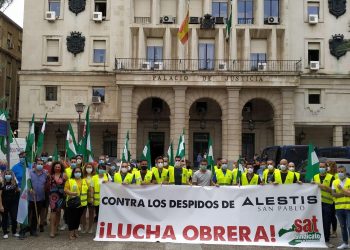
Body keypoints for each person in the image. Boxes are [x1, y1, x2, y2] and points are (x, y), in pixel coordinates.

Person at [312, 161, 335, 248]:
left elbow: (333, 191)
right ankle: (317, 239)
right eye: (320, 167)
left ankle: (326, 240)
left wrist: (322, 186)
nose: (321, 168)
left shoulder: (331, 177)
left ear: (326, 168)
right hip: (316, 204)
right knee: (316, 222)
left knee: (326, 222)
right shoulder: (315, 177)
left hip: (327, 204)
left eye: (323, 167)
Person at [64, 166, 88, 240]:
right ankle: (71, 234)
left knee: (77, 219)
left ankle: (76, 232)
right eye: (76, 172)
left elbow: (87, 190)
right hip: (72, 203)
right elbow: (65, 189)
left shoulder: (84, 181)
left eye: (79, 172)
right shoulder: (70, 180)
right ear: (73, 173)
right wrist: (71, 193)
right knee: (71, 219)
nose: (78, 173)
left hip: (81, 204)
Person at [27, 158, 48, 237]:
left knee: (36, 214)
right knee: (29, 214)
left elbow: (47, 184)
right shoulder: (30, 173)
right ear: (35, 164)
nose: (40, 165)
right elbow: (27, 183)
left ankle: (33, 230)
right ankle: (27, 228)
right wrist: (30, 189)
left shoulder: (45, 174)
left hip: (40, 198)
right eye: (38, 164)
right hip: (31, 197)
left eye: (41, 164)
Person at [332, 165, 350, 249]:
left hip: (348, 208)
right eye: (338, 172)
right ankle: (345, 243)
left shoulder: (349, 181)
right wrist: (344, 193)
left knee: (349, 226)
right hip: (339, 208)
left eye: (342, 172)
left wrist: (341, 189)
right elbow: (333, 194)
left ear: (345, 172)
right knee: (342, 226)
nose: (340, 173)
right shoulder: (335, 182)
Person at [48, 161, 66, 238]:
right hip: (53, 196)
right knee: (53, 212)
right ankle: (52, 230)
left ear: (61, 167)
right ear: (53, 168)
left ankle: (56, 228)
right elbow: (47, 185)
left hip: (62, 195)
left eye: (59, 167)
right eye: (56, 167)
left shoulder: (64, 175)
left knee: (58, 211)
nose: (57, 168)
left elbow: (67, 185)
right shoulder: (50, 175)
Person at [0, 169, 20, 238]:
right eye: (6, 174)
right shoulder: (1, 184)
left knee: (14, 218)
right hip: (4, 204)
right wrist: (1, 205)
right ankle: (5, 233)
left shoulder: (14, 183)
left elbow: (18, 191)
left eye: (9, 174)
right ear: (4, 175)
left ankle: (14, 232)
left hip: (13, 204)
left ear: (11, 175)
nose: (7, 176)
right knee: (5, 218)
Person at [91, 163, 110, 231]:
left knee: (105, 214)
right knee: (98, 214)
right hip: (96, 199)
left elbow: (112, 185)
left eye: (103, 169)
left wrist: (107, 183)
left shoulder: (107, 176)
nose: (101, 170)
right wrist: (92, 198)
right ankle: (98, 229)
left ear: (105, 170)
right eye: (100, 168)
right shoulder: (94, 177)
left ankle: (104, 228)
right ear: (98, 169)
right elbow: (92, 188)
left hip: (105, 199)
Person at [81, 163, 95, 234]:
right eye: (87, 167)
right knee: (83, 213)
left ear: (92, 169)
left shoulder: (95, 177)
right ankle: (84, 227)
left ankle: (90, 227)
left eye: (90, 167)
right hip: (83, 197)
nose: (88, 169)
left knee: (91, 212)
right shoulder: (82, 177)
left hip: (91, 197)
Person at [327, 161, 338, 238]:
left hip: (333, 199)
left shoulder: (336, 176)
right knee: (328, 216)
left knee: (332, 216)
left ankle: (334, 231)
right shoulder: (327, 175)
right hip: (326, 199)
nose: (326, 168)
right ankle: (329, 231)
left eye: (327, 166)